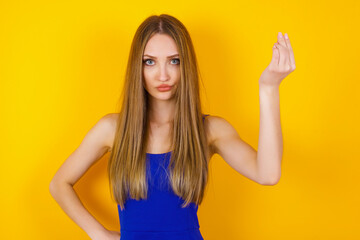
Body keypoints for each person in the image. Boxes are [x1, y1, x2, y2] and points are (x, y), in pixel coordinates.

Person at [49, 14, 295, 240]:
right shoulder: (112, 128)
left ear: (185, 65)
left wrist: (269, 88)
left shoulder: (210, 130)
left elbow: (268, 174)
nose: (163, 75)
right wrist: (98, 234)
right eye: (150, 62)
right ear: (138, 67)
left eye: (174, 61)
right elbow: (59, 184)